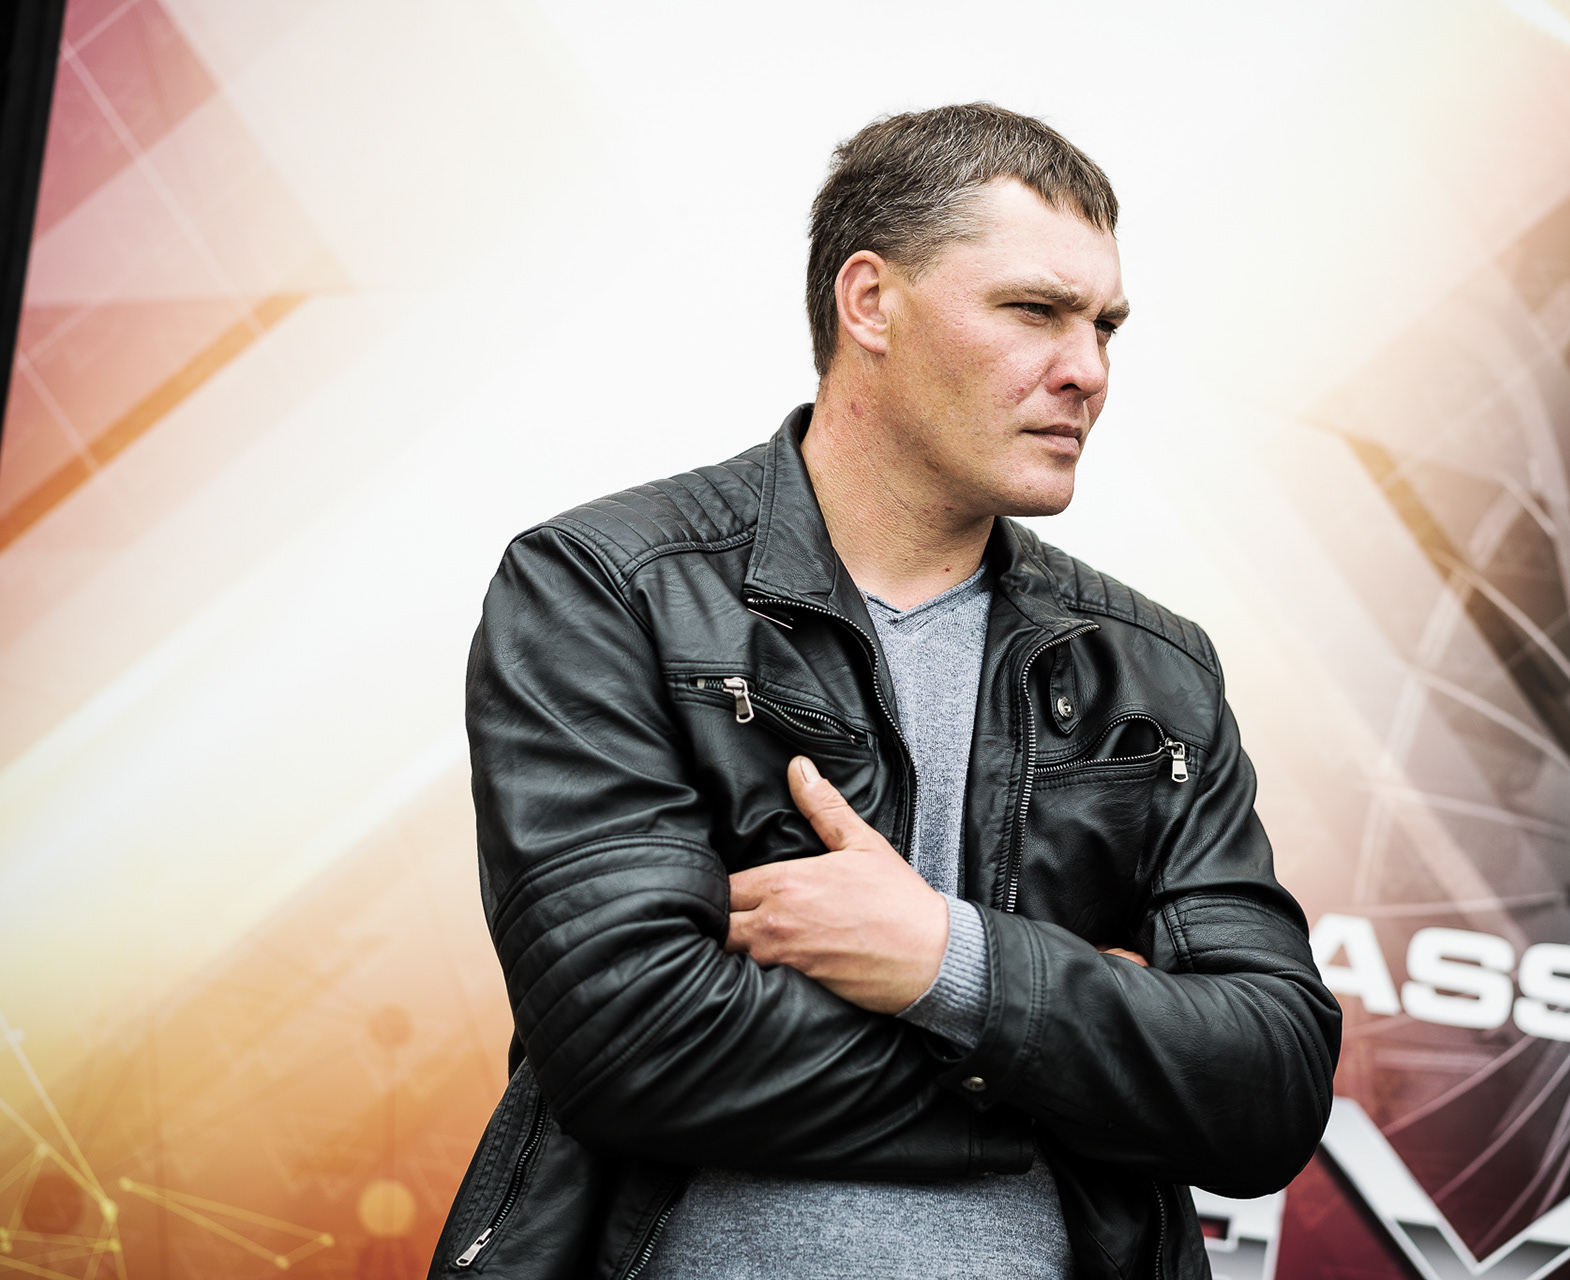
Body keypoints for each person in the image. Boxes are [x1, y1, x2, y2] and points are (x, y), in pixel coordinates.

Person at [431, 103, 1339, 1280]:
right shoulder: (611, 589)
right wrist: (1069, 1050)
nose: (1088, 370)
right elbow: (629, 1038)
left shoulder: (1152, 669)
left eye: (1105, 325)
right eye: (1035, 311)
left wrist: (941, 956)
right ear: (870, 302)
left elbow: (1269, 1080)